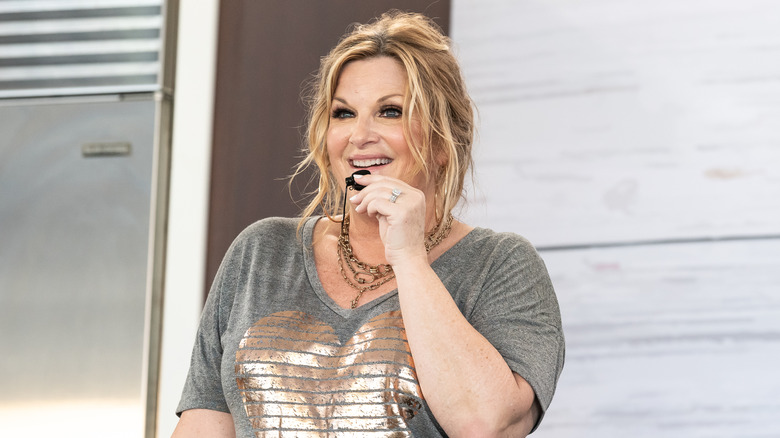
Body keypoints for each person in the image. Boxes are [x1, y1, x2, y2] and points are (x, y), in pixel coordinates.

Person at [173, 10, 564, 437]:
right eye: (343, 114)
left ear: (442, 140)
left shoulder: (500, 265)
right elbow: (204, 427)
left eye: (390, 111)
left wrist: (409, 256)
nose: (360, 135)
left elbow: (483, 423)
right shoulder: (260, 251)